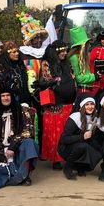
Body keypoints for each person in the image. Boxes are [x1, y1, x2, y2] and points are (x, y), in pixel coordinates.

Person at [0, 84, 38, 189]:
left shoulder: (21, 110)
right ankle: (10, 178)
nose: (5, 98)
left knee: (30, 144)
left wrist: (13, 145)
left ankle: (25, 176)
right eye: (3, 96)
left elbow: (29, 130)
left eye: (8, 95)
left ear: (12, 96)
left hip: (17, 147)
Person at [36, 40, 76, 170]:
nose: (64, 53)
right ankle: (56, 159)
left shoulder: (67, 63)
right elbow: (44, 81)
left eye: (65, 50)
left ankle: (69, 157)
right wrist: (54, 81)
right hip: (55, 106)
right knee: (56, 134)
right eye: (61, 51)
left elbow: (73, 77)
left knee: (68, 132)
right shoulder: (46, 64)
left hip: (69, 104)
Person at [57, 94, 102, 180]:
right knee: (82, 146)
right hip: (66, 148)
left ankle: (80, 166)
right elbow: (64, 139)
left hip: (81, 145)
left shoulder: (95, 118)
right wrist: (82, 137)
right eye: (87, 104)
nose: (90, 107)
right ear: (82, 106)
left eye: (92, 104)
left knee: (98, 150)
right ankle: (68, 167)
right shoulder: (75, 117)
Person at [0, 41, 30, 106]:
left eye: (17, 51)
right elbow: (4, 82)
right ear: (8, 54)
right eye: (14, 52)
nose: (17, 54)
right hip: (11, 99)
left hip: (25, 97)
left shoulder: (20, 64)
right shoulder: (2, 67)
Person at [69, 26, 97, 93]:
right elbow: (78, 78)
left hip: (88, 88)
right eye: (88, 44)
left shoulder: (84, 56)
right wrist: (94, 77)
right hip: (82, 89)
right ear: (83, 45)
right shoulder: (74, 57)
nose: (90, 46)